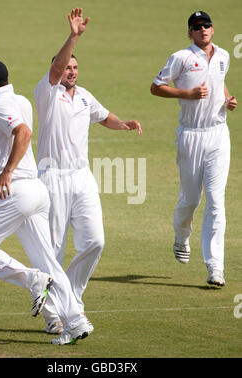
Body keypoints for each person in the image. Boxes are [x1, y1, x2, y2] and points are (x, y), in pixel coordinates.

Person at [0, 59, 90, 345]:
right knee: (48, 262)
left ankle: (32, 281)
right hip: (37, 190)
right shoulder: (19, 100)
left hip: (16, 191)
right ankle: (76, 321)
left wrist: (7, 172)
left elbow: (23, 132)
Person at [34, 8, 141, 334]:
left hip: (81, 176)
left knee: (95, 240)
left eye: (76, 67)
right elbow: (55, 68)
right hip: (52, 177)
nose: (72, 71)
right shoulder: (47, 92)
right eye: (67, 66)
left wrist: (122, 124)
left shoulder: (84, 96)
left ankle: (72, 301)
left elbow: (102, 115)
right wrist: (74, 37)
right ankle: (54, 315)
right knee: (52, 249)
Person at [150, 11, 237, 287]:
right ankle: (181, 235)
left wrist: (227, 99)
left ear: (213, 28)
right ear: (190, 33)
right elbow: (156, 87)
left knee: (216, 200)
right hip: (190, 135)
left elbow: (219, 82)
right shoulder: (181, 58)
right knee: (190, 200)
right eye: (197, 27)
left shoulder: (223, 56)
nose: (203, 30)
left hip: (218, 134)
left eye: (206, 25)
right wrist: (186, 94)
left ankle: (215, 266)